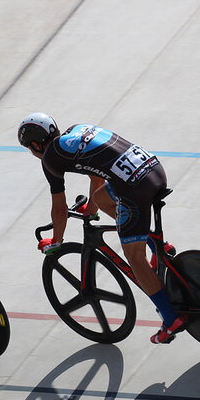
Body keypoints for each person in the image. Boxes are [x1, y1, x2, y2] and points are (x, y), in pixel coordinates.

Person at [17, 113, 182, 344]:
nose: (32, 153)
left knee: (135, 258)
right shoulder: (78, 129)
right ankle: (158, 245)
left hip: (133, 188)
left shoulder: (51, 158)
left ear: (35, 144)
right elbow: (97, 177)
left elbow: (59, 207)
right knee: (102, 197)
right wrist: (91, 208)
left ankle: (170, 318)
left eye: (29, 149)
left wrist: (56, 241)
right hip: (153, 169)